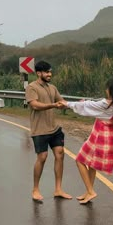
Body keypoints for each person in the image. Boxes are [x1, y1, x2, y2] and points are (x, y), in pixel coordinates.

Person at [60, 77, 113, 204]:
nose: (106, 90)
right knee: (91, 164)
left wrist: (67, 104)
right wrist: (83, 103)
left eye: (107, 88)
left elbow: (89, 106)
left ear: (112, 91)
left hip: (101, 137)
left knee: (79, 160)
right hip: (108, 136)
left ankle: (90, 191)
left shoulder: (106, 104)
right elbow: (91, 105)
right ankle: (88, 191)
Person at [25, 60, 72, 201]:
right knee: (42, 157)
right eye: (46, 72)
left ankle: (58, 189)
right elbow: (35, 105)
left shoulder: (52, 88)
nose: (49, 74)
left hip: (54, 129)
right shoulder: (31, 87)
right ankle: (35, 189)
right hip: (39, 129)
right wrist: (52, 105)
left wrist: (76, 105)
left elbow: (61, 103)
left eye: (50, 71)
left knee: (60, 154)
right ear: (39, 73)